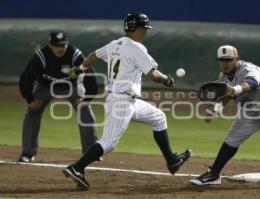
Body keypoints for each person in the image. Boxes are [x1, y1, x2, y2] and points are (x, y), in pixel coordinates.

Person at [62, 13, 192, 190]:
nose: (145, 32)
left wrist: (80, 68)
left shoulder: (115, 44)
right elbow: (154, 75)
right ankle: (77, 168)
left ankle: (172, 161)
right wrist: (167, 80)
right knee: (109, 142)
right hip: (121, 101)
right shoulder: (137, 48)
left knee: (159, 117)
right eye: (144, 28)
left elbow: (94, 55)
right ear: (138, 29)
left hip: (126, 100)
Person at [190, 45, 260, 187]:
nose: (225, 63)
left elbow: (251, 83)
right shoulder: (223, 76)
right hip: (252, 107)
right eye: (222, 60)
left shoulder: (247, 69)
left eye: (229, 60)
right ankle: (214, 174)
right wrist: (217, 108)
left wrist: (235, 89)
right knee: (232, 138)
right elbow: (225, 95)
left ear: (237, 59)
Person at [18, 31, 98, 162]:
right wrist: (30, 99)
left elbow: (90, 75)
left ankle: (91, 152)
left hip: (71, 86)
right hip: (45, 86)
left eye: (63, 45)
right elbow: (26, 77)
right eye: (56, 45)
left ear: (67, 44)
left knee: (84, 109)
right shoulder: (41, 56)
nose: (60, 48)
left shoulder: (75, 55)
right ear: (50, 45)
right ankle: (28, 153)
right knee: (32, 112)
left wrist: (87, 99)